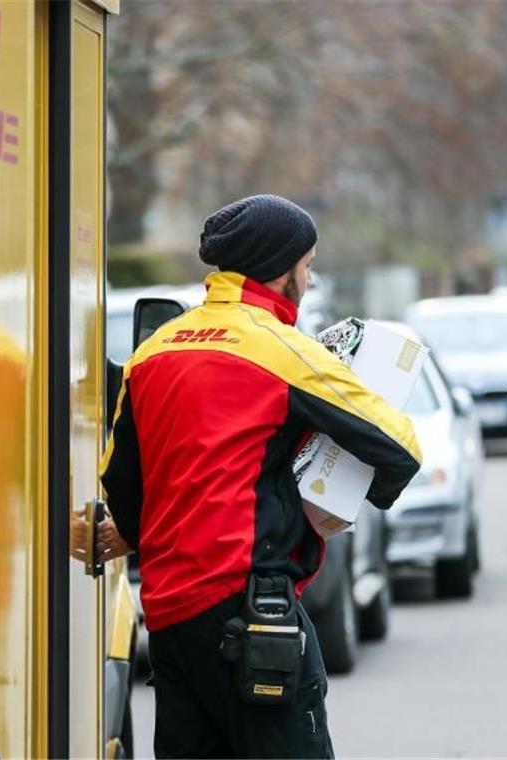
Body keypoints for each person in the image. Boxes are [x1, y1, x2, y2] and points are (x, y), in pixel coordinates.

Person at [97, 194, 422, 759]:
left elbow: (120, 482)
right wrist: (332, 502)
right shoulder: (279, 350)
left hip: (170, 623)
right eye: (309, 265)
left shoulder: (153, 351)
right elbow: (397, 445)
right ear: (284, 269)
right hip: (253, 621)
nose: (310, 280)